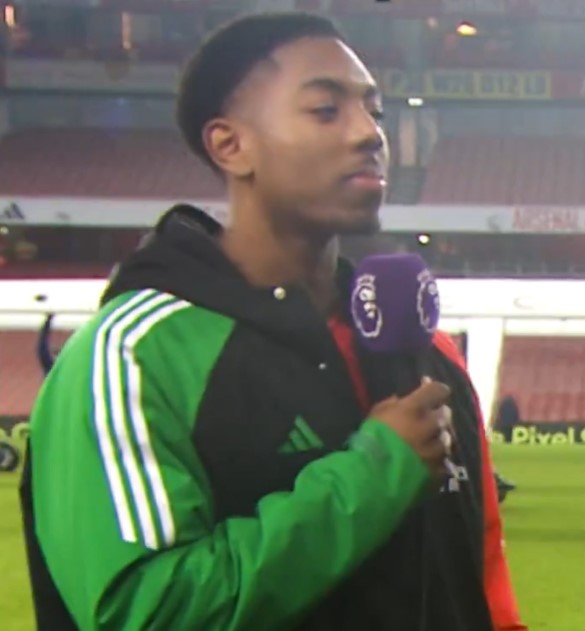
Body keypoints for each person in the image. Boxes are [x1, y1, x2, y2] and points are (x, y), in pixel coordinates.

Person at [20, 12, 526, 631]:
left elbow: (484, 592)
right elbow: (147, 612)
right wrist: (373, 474)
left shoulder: (427, 351)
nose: (368, 133)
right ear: (230, 145)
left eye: (376, 112)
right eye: (325, 110)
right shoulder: (134, 353)